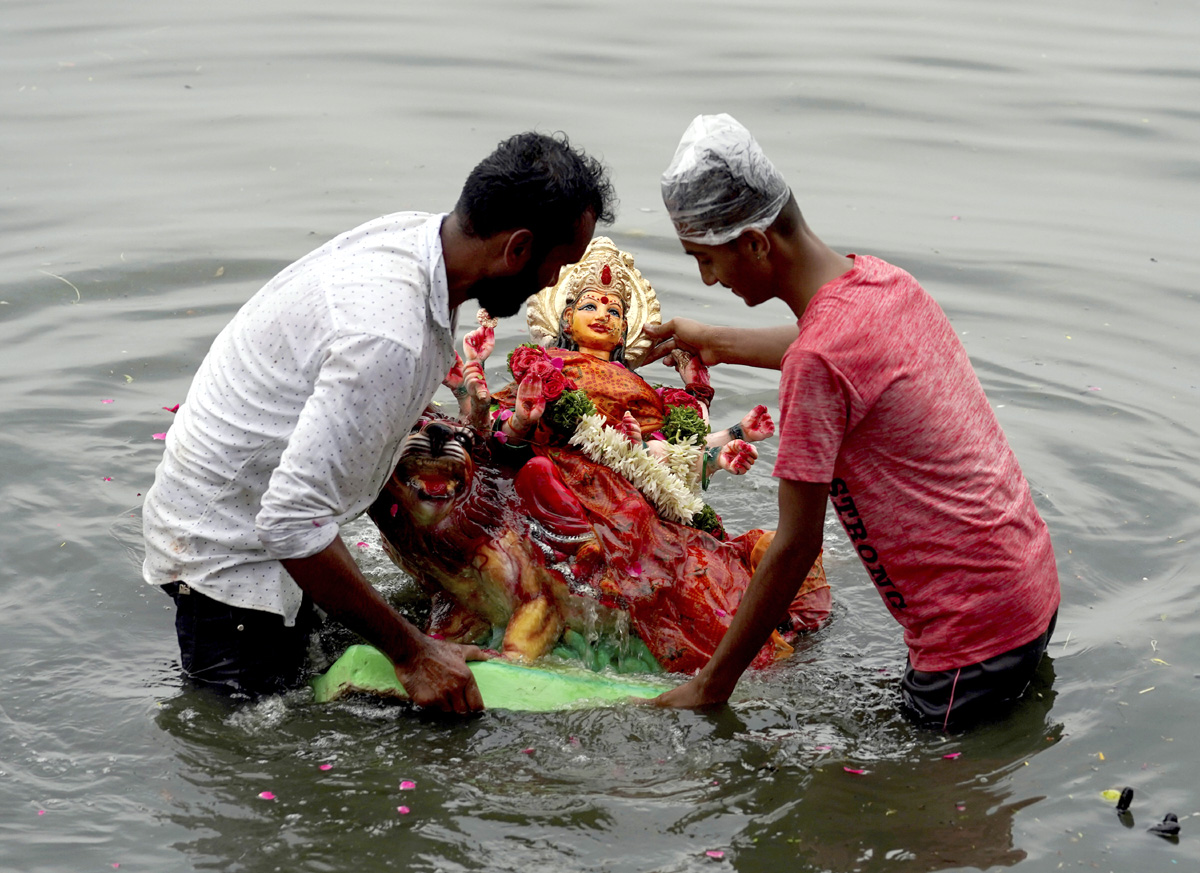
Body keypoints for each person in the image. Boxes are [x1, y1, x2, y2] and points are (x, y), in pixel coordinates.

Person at [141, 131, 616, 711]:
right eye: (560, 264)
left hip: (265, 514)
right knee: (251, 745)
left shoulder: (419, 239)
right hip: (230, 558)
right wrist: (414, 653)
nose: (554, 283)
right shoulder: (387, 336)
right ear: (517, 249)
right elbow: (289, 526)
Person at [642, 114, 1060, 728]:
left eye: (707, 260)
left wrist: (711, 685)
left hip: (969, 645)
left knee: (921, 813)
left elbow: (795, 547)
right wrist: (716, 342)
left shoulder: (817, 362)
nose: (708, 278)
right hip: (1027, 591)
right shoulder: (883, 282)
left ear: (756, 242)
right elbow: (828, 344)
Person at [438, 237, 832, 674]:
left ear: (626, 329)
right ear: (566, 317)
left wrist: (727, 442)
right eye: (590, 307)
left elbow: (671, 460)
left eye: (615, 311)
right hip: (562, 475)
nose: (604, 316)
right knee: (546, 477)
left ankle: (763, 626)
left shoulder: (648, 392)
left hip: (635, 491)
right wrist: (494, 402)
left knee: (721, 553)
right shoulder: (543, 365)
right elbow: (490, 434)